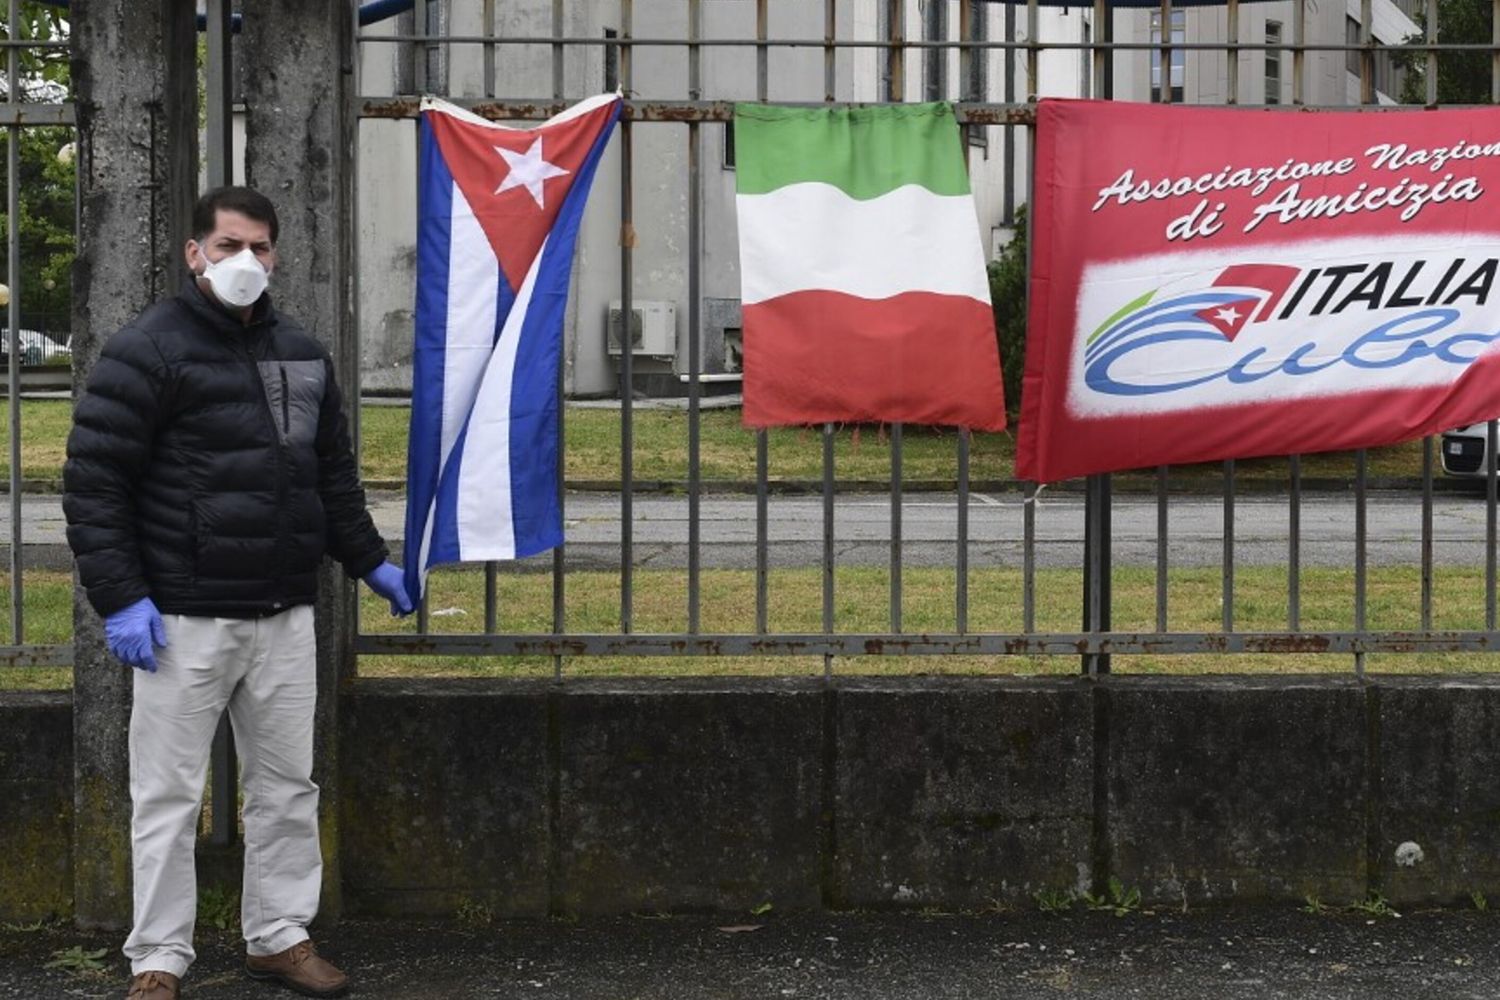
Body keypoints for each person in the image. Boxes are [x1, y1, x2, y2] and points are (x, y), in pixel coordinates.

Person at [63, 185, 414, 1000]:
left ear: (277, 254)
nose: (244, 262)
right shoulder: (147, 349)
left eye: (258, 247)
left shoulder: (302, 351)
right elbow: (94, 481)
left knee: (288, 788)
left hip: (285, 612)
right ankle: (158, 956)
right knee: (167, 796)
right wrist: (120, 597)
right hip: (182, 617)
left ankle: (280, 936)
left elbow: (328, 476)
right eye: (227, 247)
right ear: (194, 255)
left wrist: (370, 561)